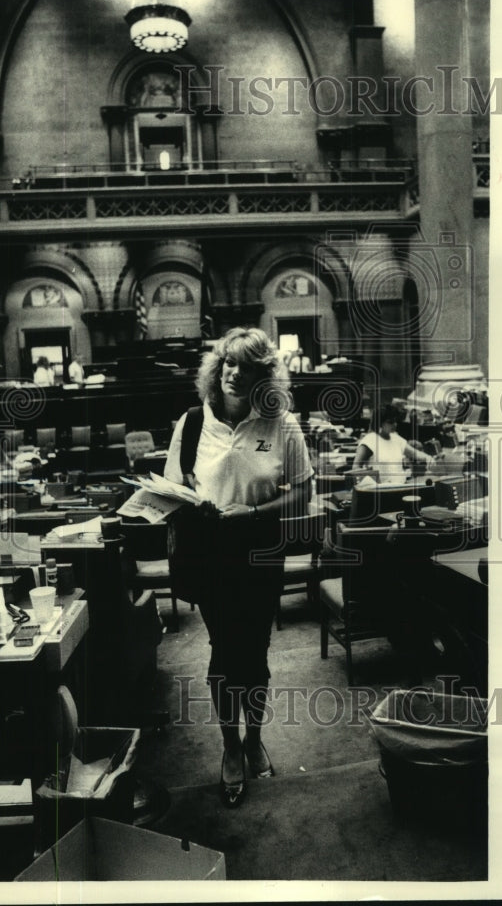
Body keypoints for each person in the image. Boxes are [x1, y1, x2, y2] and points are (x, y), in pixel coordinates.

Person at [164, 327, 313, 807]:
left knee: (256, 651)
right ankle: (232, 746)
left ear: (263, 377)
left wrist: (250, 514)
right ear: (217, 367)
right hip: (211, 556)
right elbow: (172, 490)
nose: (234, 373)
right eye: (228, 362)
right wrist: (193, 507)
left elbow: (302, 493)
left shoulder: (281, 425)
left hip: (261, 551)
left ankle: (254, 738)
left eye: (247, 367)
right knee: (226, 654)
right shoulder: (191, 425)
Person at [352, 404, 433, 484]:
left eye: (395, 421)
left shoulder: (396, 439)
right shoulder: (369, 441)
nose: (395, 424)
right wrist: (371, 481)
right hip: (379, 491)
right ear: (380, 423)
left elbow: (415, 454)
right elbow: (355, 468)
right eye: (390, 422)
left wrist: (428, 458)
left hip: (400, 488)